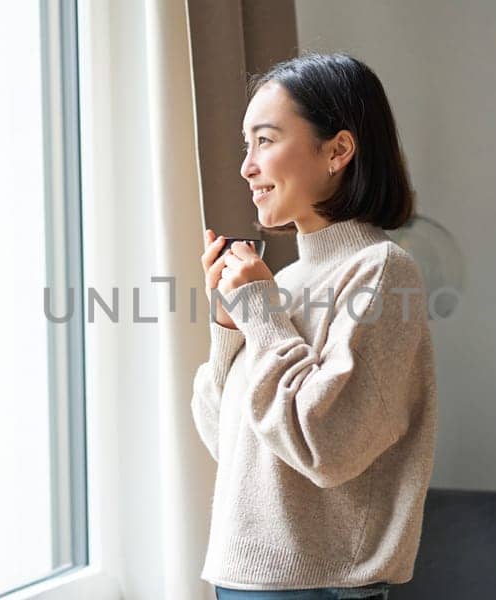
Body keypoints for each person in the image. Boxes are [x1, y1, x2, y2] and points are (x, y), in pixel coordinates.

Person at [191, 52, 438, 600]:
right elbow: (227, 440)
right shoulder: (285, 281)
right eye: (245, 144)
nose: (246, 167)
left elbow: (327, 446)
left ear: (338, 150)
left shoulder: (382, 269)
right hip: (240, 581)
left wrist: (261, 314)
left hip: (320, 588)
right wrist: (230, 325)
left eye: (265, 140)